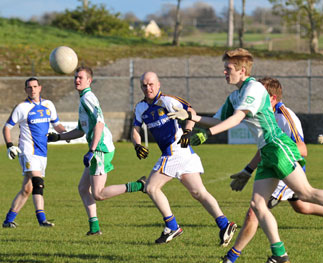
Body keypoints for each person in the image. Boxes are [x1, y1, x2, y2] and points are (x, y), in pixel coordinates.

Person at [168, 48, 323, 263]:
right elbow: (217, 119)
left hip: (277, 147)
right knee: (257, 205)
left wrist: (208, 134)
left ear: (242, 70)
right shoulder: (234, 96)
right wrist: (191, 117)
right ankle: (279, 253)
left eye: (228, 69)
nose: (224, 72)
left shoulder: (253, 88)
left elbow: (237, 118)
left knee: (306, 194)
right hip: (266, 152)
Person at [219, 77, 323, 263]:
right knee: (302, 206)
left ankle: (231, 258)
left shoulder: (284, 115)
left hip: (287, 163)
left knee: (255, 211)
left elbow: (302, 149)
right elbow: (265, 147)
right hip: (274, 161)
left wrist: (280, 164)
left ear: (272, 98)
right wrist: (248, 170)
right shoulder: (264, 114)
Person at [131, 71, 237, 246]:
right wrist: (137, 145)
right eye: (144, 85)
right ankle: (225, 224)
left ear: (158, 84)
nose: (147, 88)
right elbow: (135, 129)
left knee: (151, 187)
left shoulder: (167, 101)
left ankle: (172, 227)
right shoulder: (140, 108)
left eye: (151, 84)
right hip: (183, 152)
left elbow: (190, 112)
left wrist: (188, 131)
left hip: (175, 150)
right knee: (198, 192)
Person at [47, 66, 146, 235]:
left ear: (89, 81)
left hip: (100, 149)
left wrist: (92, 150)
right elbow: (80, 130)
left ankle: (139, 185)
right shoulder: (83, 99)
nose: (77, 80)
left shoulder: (88, 98)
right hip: (98, 148)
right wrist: (59, 137)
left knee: (99, 193)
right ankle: (94, 229)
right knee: (83, 189)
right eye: (75, 77)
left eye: (80, 77)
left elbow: (99, 124)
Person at [2, 77, 66, 228]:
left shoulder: (48, 105)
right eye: (29, 87)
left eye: (35, 86)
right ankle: (42, 220)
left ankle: (8, 220)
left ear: (40, 88)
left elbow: (57, 125)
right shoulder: (22, 107)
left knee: (27, 189)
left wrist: (66, 134)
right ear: (25, 90)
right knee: (38, 183)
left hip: (42, 153)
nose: (32, 89)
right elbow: (6, 127)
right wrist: (10, 145)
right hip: (27, 151)